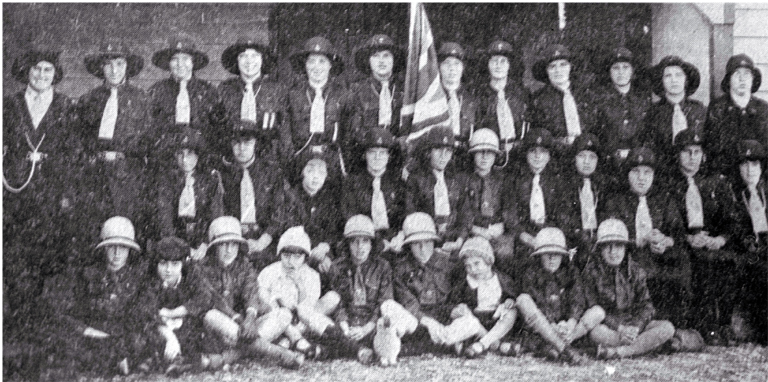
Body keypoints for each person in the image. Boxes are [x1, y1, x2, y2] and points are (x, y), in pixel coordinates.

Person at [4, 47, 80, 339]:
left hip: (52, 193)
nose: (41, 75)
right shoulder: (9, 106)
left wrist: (65, 195)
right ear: (26, 72)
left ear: (55, 75)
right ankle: (19, 324)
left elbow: (73, 154)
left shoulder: (66, 106)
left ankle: (44, 325)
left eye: (48, 70)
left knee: (47, 256)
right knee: (16, 257)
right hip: (16, 192)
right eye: (36, 69)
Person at [196, 216, 305, 370]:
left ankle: (226, 358)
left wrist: (251, 317)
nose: (229, 250)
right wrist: (242, 321)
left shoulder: (244, 264)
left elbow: (251, 291)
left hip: (244, 333)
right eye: (223, 244)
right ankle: (279, 353)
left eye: (234, 244)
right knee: (211, 315)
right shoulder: (203, 268)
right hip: (223, 331)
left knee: (284, 314)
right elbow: (214, 299)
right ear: (214, 247)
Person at [666, 129, 742, 344]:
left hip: (712, 243)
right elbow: (668, 220)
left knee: (728, 263)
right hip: (684, 242)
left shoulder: (715, 182)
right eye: (687, 152)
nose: (692, 157)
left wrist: (721, 239)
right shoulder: (669, 184)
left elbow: (731, 219)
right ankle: (706, 326)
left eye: (697, 152)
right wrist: (687, 238)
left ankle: (725, 324)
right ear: (678, 155)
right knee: (697, 266)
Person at [602, 147, 689, 328]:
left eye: (647, 172)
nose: (642, 178)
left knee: (680, 261)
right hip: (630, 254)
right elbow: (610, 235)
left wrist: (666, 241)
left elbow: (678, 233)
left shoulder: (663, 199)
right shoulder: (616, 201)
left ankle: (676, 324)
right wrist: (639, 240)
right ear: (627, 175)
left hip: (660, 256)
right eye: (636, 172)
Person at [76, 40, 152, 248]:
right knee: (94, 227)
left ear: (127, 66)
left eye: (119, 63)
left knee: (126, 228)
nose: (114, 70)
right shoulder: (88, 100)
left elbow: (148, 141)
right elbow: (79, 140)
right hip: (95, 174)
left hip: (128, 175)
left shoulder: (142, 99)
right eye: (108, 64)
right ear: (101, 67)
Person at [258, 226, 372, 363]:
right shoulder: (269, 272)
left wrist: (300, 285)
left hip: (301, 321)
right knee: (285, 316)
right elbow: (266, 305)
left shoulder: (311, 275)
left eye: (297, 257)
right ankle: (298, 343)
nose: (291, 262)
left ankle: (295, 343)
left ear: (305, 257)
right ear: (279, 254)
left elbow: (306, 309)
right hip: (275, 322)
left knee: (325, 302)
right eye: (286, 256)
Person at [387, 212, 487, 356]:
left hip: (443, 322)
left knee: (470, 322)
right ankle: (447, 345)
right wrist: (426, 321)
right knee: (390, 309)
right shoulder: (401, 269)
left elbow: (456, 299)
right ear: (409, 245)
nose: (422, 248)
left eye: (427, 242)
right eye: (416, 243)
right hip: (417, 322)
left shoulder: (448, 265)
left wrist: (455, 310)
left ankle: (432, 345)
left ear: (434, 242)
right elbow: (408, 304)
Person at [60, 217, 148, 375]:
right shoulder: (88, 276)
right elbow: (69, 314)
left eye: (122, 247)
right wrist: (88, 331)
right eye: (111, 247)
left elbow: (142, 316)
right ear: (103, 248)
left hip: (127, 341)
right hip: (94, 339)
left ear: (130, 249)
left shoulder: (138, 280)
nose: (116, 253)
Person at [584, 219, 676, 359]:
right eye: (607, 246)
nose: (613, 252)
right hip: (611, 329)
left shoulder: (636, 270)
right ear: (600, 250)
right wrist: (620, 329)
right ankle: (641, 347)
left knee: (667, 327)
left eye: (619, 246)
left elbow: (646, 305)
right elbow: (592, 306)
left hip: (634, 326)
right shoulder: (591, 272)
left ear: (626, 248)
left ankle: (618, 352)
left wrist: (636, 327)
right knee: (595, 332)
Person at [515, 228, 601, 365]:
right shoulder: (531, 273)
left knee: (598, 312)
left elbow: (577, 298)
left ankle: (560, 345)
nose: (552, 258)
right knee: (523, 300)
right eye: (547, 254)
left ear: (563, 255)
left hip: (569, 330)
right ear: (539, 255)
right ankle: (564, 349)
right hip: (544, 329)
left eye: (557, 254)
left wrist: (571, 322)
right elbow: (538, 302)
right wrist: (553, 325)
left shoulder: (571, 271)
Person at [132, 237, 210, 376]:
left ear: (183, 264)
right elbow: (147, 309)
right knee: (144, 330)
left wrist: (172, 313)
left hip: (183, 323)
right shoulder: (150, 280)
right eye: (163, 263)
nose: (168, 270)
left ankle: (178, 360)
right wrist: (170, 337)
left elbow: (203, 298)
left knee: (196, 330)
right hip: (160, 328)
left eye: (175, 264)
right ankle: (159, 358)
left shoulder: (191, 275)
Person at [148, 35, 223, 172]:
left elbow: (217, 130)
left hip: (201, 161)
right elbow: (149, 129)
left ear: (193, 62)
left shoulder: (208, 91)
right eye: (174, 59)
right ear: (168, 64)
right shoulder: (156, 91)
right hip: (166, 162)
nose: (179, 64)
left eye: (185, 59)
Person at [219, 119, 287, 270]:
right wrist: (236, 241)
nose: (242, 148)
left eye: (247, 142)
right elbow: (220, 213)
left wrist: (263, 241)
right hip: (233, 244)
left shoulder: (271, 173)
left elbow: (279, 212)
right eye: (237, 142)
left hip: (266, 243)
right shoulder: (223, 175)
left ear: (255, 143)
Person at [327, 215, 393, 358]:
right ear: (347, 245)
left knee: (388, 337)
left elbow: (384, 302)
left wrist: (366, 328)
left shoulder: (382, 267)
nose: (360, 247)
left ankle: (360, 349)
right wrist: (345, 328)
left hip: (372, 326)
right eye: (354, 242)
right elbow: (338, 305)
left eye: (365, 241)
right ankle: (357, 350)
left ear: (372, 244)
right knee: (329, 332)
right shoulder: (337, 267)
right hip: (347, 326)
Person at [283, 36, 347, 180]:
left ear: (330, 65)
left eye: (322, 61)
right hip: (300, 160)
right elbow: (285, 133)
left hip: (332, 162)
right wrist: (292, 159)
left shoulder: (342, 95)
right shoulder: (293, 95)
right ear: (305, 65)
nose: (316, 67)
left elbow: (348, 135)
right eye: (311, 61)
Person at [156, 126, 223, 262]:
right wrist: (184, 248)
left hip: (204, 245)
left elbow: (216, 215)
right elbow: (164, 217)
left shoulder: (210, 181)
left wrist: (205, 244)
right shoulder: (167, 181)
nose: (184, 159)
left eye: (190, 153)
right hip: (174, 243)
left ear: (198, 155)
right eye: (180, 153)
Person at [505, 128, 564, 276]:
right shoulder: (515, 180)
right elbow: (510, 215)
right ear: (525, 154)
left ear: (549, 156)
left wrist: (551, 237)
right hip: (525, 234)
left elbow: (563, 214)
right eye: (532, 151)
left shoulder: (556, 181)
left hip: (551, 235)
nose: (538, 156)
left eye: (543, 152)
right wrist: (523, 235)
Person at [405, 127, 472, 256]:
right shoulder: (416, 180)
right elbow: (411, 216)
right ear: (428, 152)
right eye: (438, 150)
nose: (443, 156)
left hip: (455, 241)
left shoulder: (456, 180)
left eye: (448, 151)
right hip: (427, 242)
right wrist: (433, 244)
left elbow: (466, 213)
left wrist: (460, 239)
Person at [448, 236, 518, 358]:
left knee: (512, 311)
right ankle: (496, 344)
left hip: (496, 320)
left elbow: (512, 294)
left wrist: (509, 301)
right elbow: (454, 300)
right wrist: (458, 308)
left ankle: (482, 344)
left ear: (488, 261)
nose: (473, 270)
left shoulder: (501, 280)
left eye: (477, 264)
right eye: (468, 266)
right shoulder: (466, 283)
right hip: (477, 322)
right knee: (466, 318)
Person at [341, 128, 406, 260]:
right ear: (364, 155)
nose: (377, 157)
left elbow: (406, 214)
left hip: (396, 244)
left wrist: (400, 236)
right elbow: (350, 218)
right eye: (372, 152)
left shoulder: (397, 182)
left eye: (382, 153)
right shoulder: (352, 183)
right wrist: (380, 243)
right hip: (365, 245)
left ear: (389, 156)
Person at [638, 55, 706, 180]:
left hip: (697, 174)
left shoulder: (699, 110)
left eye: (678, 75)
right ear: (661, 81)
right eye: (668, 76)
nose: (674, 80)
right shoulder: (653, 113)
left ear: (686, 80)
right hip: (664, 176)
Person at [528, 44, 595, 169]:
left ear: (570, 67)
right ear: (546, 71)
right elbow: (536, 136)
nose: (558, 71)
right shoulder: (539, 99)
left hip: (586, 159)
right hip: (555, 161)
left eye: (563, 65)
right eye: (552, 67)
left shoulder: (585, 96)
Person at [345, 34, 406, 173]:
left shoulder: (404, 92)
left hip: (398, 160)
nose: (381, 61)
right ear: (369, 61)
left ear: (394, 60)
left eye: (386, 56)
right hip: (367, 161)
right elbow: (354, 132)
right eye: (376, 56)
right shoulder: (357, 92)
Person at [218, 36, 283, 163]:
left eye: (255, 56)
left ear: (262, 59)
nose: (249, 61)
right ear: (237, 60)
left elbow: (284, 129)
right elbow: (218, 129)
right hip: (234, 158)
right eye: (243, 56)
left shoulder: (276, 90)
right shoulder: (225, 89)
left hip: (267, 159)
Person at [593, 47, 651, 187]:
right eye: (615, 68)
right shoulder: (599, 101)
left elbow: (649, 134)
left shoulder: (643, 101)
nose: (621, 72)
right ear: (609, 71)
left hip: (639, 166)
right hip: (609, 167)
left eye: (625, 67)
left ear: (632, 71)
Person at [461, 128, 516, 274]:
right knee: (474, 257)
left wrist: (502, 227)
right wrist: (475, 229)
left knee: (505, 255)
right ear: (472, 154)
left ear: (496, 155)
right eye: (480, 152)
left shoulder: (503, 180)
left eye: (489, 152)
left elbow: (510, 210)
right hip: (473, 231)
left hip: (498, 232)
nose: (485, 157)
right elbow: (462, 211)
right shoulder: (464, 180)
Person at [705, 54, 768, 180]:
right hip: (727, 177)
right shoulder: (717, 108)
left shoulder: (763, 109)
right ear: (729, 79)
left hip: (757, 178)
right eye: (737, 74)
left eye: (747, 74)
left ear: (753, 79)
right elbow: (712, 149)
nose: (742, 79)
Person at [281, 149, 344, 274]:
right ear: (302, 172)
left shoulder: (329, 198)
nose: (316, 176)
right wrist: (316, 253)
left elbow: (334, 230)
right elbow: (292, 231)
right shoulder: (291, 196)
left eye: (321, 172)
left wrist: (325, 246)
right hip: (297, 252)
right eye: (310, 171)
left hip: (324, 251)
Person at [731, 140, 767, 345]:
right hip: (747, 253)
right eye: (745, 165)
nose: (750, 170)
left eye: (755, 165)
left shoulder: (766, 191)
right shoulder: (733, 195)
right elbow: (735, 228)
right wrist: (753, 245)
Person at [476, 40, 528, 174]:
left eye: (503, 61)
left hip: (518, 157)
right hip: (490, 157)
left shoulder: (520, 95)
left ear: (509, 65)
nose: (498, 66)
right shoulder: (479, 96)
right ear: (487, 65)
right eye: (494, 61)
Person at [560, 133, 607, 270]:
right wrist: (581, 235)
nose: (587, 162)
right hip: (575, 241)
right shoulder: (565, 185)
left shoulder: (603, 186)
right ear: (574, 158)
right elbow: (564, 219)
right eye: (582, 156)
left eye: (592, 157)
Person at [437, 42, 479, 171]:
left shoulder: (472, 101)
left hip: (465, 161)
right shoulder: (431, 98)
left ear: (463, 67)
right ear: (439, 67)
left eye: (457, 64)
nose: (452, 68)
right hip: (438, 157)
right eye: (447, 63)